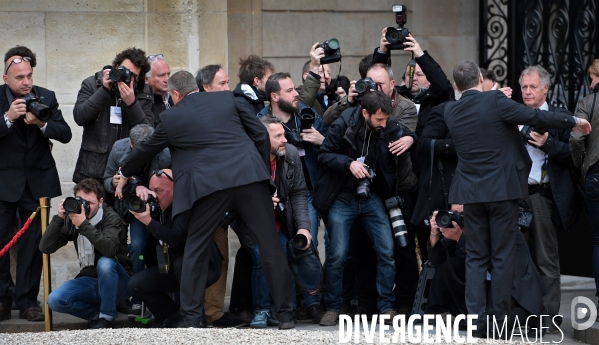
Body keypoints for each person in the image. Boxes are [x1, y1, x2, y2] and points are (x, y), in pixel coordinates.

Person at [120, 70, 295, 329]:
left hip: (209, 188)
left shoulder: (171, 117)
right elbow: (260, 135)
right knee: (270, 245)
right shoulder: (228, 99)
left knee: (195, 248)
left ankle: (192, 318)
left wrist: (124, 172)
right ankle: (286, 316)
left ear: (175, 94)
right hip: (248, 178)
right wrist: (254, 166)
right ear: (197, 88)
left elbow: (146, 149)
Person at [444, 60, 590, 335]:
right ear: (479, 77)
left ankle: (476, 320)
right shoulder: (495, 101)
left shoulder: (452, 110)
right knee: (501, 256)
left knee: (475, 257)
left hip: (471, 194)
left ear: (455, 86)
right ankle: (498, 322)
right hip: (502, 192)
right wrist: (574, 120)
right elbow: (537, 118)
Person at [314, 91, 417, 326]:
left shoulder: (388, 124)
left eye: (386, 119)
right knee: (338, 255)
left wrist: (411, 139)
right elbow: (324, 155)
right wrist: (348, 163)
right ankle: (332, 306)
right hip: (343, 197)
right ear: (364, 113)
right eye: (379, 119)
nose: (384, 124)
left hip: (373, 197)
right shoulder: (343, 124)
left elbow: (410, 135)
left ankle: (386, 307)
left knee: (387, 251)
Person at [0, 45, 72, 322]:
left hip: (37, 183)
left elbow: (64, 133)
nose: (26, 82)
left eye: (29, 75)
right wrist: (8, 117)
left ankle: (28, 301)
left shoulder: (47, 97)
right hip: (4, 183)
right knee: (2, 243)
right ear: (7, 79)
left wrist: (41, 125)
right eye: (20, 77)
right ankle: (3, 300)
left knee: (33, 246)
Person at [518, 65, 580, 331]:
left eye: (533, 87)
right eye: (524, 87)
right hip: (515, 196)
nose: (528, 92)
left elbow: (575, 156)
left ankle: (548, 319)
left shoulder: (559, 118)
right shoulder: (514, 115)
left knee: (546, 260)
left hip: (542, 196)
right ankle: (522, 314)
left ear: (546, 89)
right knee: (519, 259)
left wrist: (547, 144)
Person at [247, 115, 322, 327]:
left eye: (284, 134)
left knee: (290, 257)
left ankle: (291, 308)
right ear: (262, 138)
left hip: (281, 220)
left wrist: (304, 228)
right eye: (278, 136)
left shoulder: (289, 153)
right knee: (261, 259)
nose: (285, 139)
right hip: (253, 223)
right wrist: (259, 202)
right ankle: (262, 309)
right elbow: (235, 197)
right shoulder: (248, 156)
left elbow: (299, 192)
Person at [127, 169, 222, 328]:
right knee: (136, 283)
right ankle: (172, 318)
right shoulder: (159, 209)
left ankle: (195, 318)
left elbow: (176, 239)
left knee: (181, 263)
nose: (155, 196)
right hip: (174, 268)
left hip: (204, 267)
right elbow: (152, 252)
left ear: (175, 189)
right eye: (152, 191)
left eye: (159, 191)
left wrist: (149, 222)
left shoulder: (186, 207)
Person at [39, 179, 132, 329]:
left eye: (91, 202)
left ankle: (107, 318)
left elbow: (109, 250)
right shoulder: (72, 219)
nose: (85, 206)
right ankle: (98, 316)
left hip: (119, 283)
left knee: (105, 263)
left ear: (101, 201)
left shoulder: (111, 218)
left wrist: (83, 225)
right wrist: (59, 218)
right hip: (91, 281)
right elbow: (45, 247)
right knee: (55, 300)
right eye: (81, 201)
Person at [193, 63, 243, 328]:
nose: (228, 88)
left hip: (224, 199)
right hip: (197, 199)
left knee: (220, 256)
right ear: (205, 87)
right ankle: (195, 312)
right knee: (193, 259)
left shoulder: (232, 112)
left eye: (227, 83)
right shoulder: (194, 114)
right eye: (222, 84)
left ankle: (213, 312)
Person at [103, 123, 171, 317]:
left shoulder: (165, 153)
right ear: (131, 145)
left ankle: (155, 294)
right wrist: (113, 182)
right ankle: (136, 295)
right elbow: (106, 179)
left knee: (151, 249)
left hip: (157, 210)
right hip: (129, 209)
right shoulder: (119, 148)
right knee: (136, 249)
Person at [72, 47, 154, 185]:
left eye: (131, 74)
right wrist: (104, 90)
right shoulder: (92, 84)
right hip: (93, 171)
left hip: (127, 171)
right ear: (115, 66)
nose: (124, 76)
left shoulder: (144, 92)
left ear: (139, 77)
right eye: (122, 70)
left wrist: (132, 103)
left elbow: (148, 133)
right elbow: (80, 117)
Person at [570, 58, 599, 309]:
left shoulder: (588, 103)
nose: (590, 82)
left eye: (591, 77)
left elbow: (576, 140)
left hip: (595, 175)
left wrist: (582, 165)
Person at [144, 54, 173, 126]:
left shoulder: (176, 97)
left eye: (168, 74)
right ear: (146, 79)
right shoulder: (143, 103)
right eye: (161, 75)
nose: (167, 79)